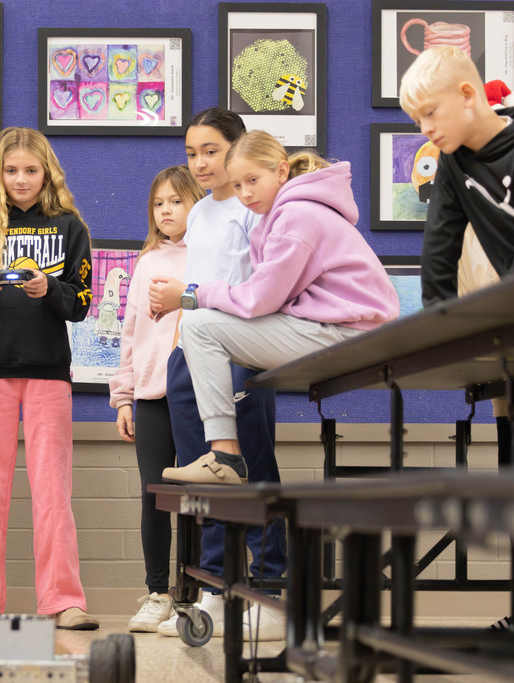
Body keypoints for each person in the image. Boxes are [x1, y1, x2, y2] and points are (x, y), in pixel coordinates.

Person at [159, 129, 400, 637]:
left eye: (254, 179)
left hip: (347, 331)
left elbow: (259, 299)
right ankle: (224, 458)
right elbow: (265, 296)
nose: (246, 192)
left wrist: (195, 293)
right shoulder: (281, 213)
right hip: (333, 325)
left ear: (281, 171)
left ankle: (225, 456)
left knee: (200, 323)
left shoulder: (297, 214)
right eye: (239, 183)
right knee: (203, 327)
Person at [0, 126, 98, 630]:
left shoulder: (69, 226)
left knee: (52, 488)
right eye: (11, 170)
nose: (21, 179)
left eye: (30, 170)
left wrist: (48, 289)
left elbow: (81, 303)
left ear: (46, 171)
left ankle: (63, 601)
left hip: (49, 373)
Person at [149, 108, 286, 641]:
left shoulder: (257, 210)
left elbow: (256, 293)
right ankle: (215, 588)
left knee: (251, 468)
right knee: (204, 472)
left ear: (238, 148)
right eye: (191, 153)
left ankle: (268, 590)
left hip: (238, 351)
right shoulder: (201, 212)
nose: (201, 163)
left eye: (211, 150)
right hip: (190, 351)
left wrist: (183, 296)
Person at [399, 45, 514, 632]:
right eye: (416, 120)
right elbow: (438, 250)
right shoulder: (453, 165)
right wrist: (440, 331)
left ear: (469, 95)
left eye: (430, 114)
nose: (424, 130)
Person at [109, 166, 203, 633]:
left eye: (176, 201)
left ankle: (195, 593)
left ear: (197, 203)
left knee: (197, 499)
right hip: (150, 398)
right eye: (159, 203)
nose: (166, 210)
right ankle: (157, 593)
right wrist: (124, 397)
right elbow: (131, 333)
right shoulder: (146, 260)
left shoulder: (209, 254)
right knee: (154, 498)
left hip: (198, 394)